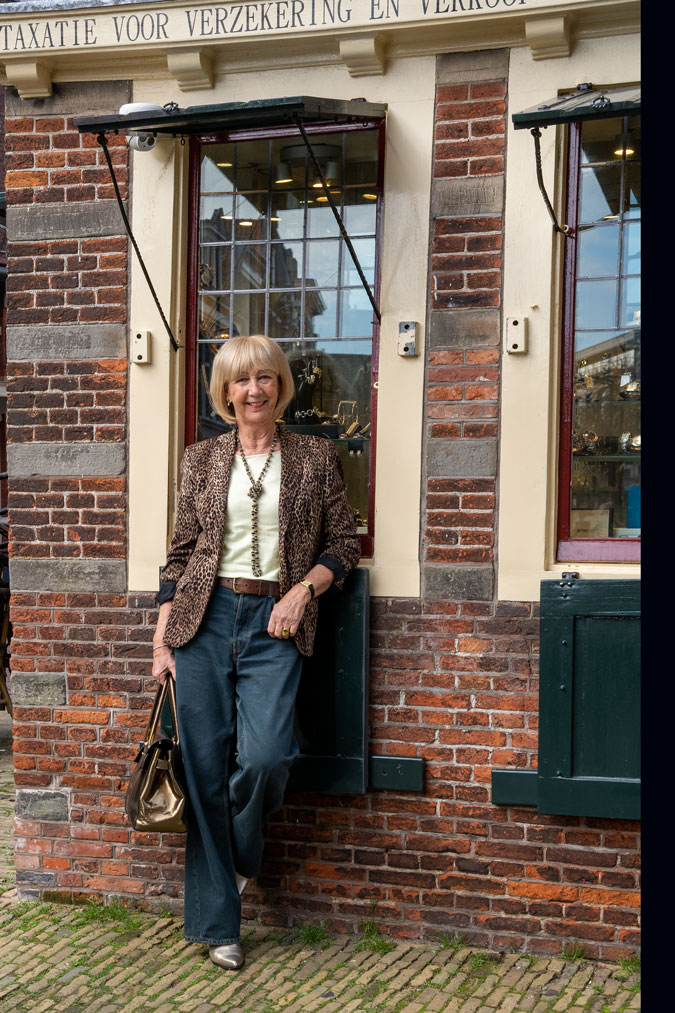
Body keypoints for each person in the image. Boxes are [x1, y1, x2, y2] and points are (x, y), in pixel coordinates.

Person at [151, 335, 360, 970]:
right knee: (204, 767)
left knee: (268, 756)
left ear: (281, 387)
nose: (254, 390)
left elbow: (344, 543)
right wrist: (163, 639)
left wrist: (302, 592)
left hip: (275, 620)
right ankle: (221, 927)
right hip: (204, 618)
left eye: (265, 378)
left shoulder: (316, 458)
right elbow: (181, 556)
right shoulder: (201, 461)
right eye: (241, 381)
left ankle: (237, 862)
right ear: (224, 392)